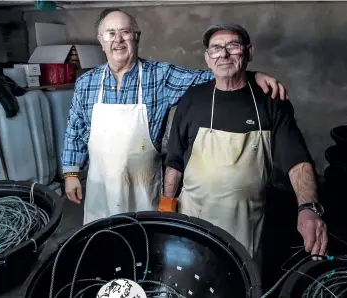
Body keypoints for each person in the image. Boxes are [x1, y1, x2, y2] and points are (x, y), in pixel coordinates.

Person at [62, 9, 289, 225]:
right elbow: (75, 128)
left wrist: (251, 75)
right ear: (101, 41)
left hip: (143, 188)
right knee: (102, 245)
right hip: (100, 186)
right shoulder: (86, 83)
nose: (118, 40)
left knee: (144, 245)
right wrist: (71, 172)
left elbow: (215, 75)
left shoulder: (160, 76)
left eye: (125, 32)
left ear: (137, 38)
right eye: (110, 34)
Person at [159, 24, 328, 265]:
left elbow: (297, 160)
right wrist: (166, 205)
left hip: (246, 224)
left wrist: (309, 208)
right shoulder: (191, 100)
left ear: (248, 53)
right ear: (208, 59)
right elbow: (174, 160)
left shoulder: (271, 102)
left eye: (233, 46)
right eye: (216, 49)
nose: (224, 54)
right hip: (192, 217)